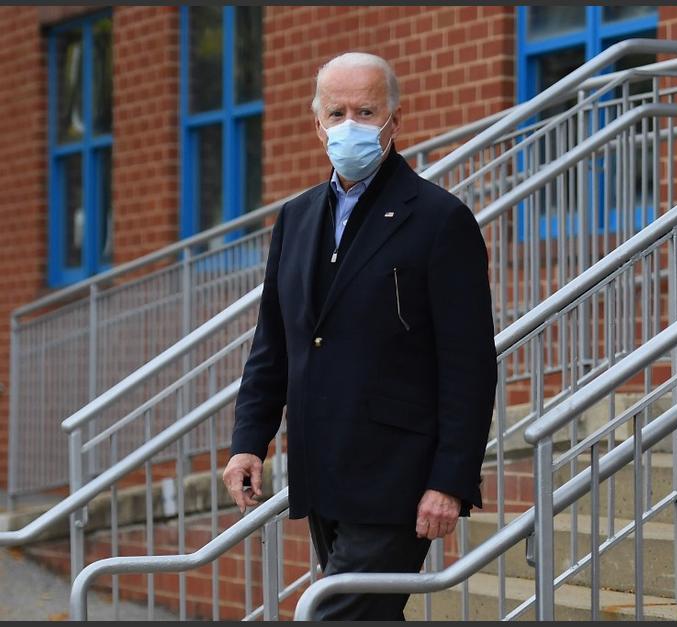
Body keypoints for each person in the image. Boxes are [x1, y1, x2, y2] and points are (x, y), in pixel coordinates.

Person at [222, 51, 498, 620]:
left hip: (399, 477)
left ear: (394, 120)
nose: (350, 125)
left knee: (332, 614)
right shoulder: (295, 220)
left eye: (366, 111)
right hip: (322, 468)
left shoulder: (439, 219)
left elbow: (469, 366)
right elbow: (272, 344)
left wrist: (450, 480)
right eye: (337, 111)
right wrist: (250, 439)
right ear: (315, 122)